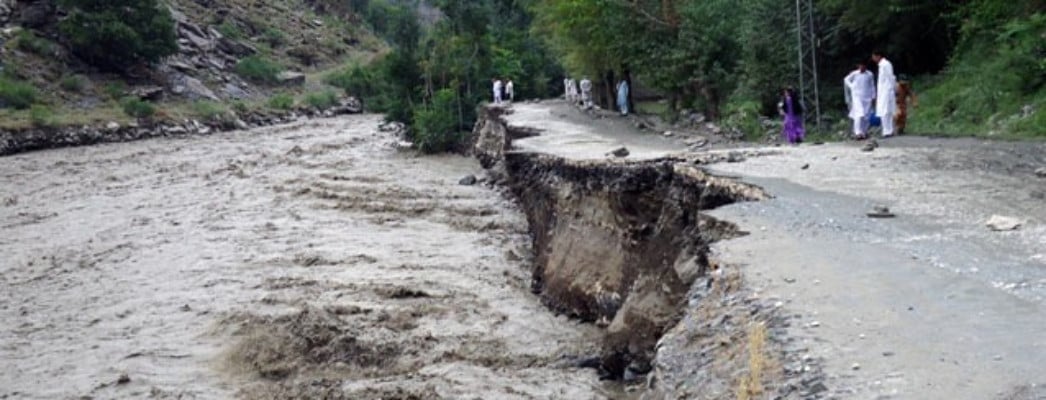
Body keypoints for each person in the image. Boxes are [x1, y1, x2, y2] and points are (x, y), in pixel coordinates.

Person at [844, 62, 876, 139]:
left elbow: (872, 86)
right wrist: (851, 86)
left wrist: (873, 96)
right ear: (858, 66)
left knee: (866, 116)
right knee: (859, 114)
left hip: (867, 97)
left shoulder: (870, 74)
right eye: (860, 66)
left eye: (863, 66)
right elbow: (846, 79)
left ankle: (864, 132)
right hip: (857, 97)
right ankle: (857, 132)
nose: (862, 67)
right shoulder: (854, 74)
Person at [872, 50, 897, 137]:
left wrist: (893, 88)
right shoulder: (881, 65)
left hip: (887, 90)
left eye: (874, 57)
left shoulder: (886, 64)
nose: (873, 59)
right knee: (885, 111)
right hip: (883, 91)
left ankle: (887, 131)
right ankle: (888, 130)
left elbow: (890, 77)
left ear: (878, 56)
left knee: (886, 111)